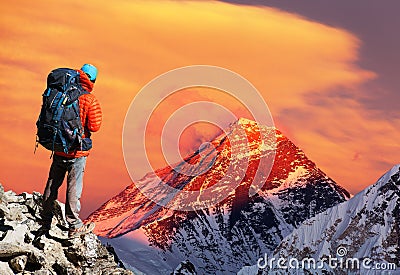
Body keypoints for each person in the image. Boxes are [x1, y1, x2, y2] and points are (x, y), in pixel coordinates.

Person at [40, 64, 102, 238]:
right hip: (77, 151)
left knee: (52, 184)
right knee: (74, 188)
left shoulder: (61, 93)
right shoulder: (89, 99)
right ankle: (74, 225)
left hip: (59, 147)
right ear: (92, 80)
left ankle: (44, 221)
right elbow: (95, 126)